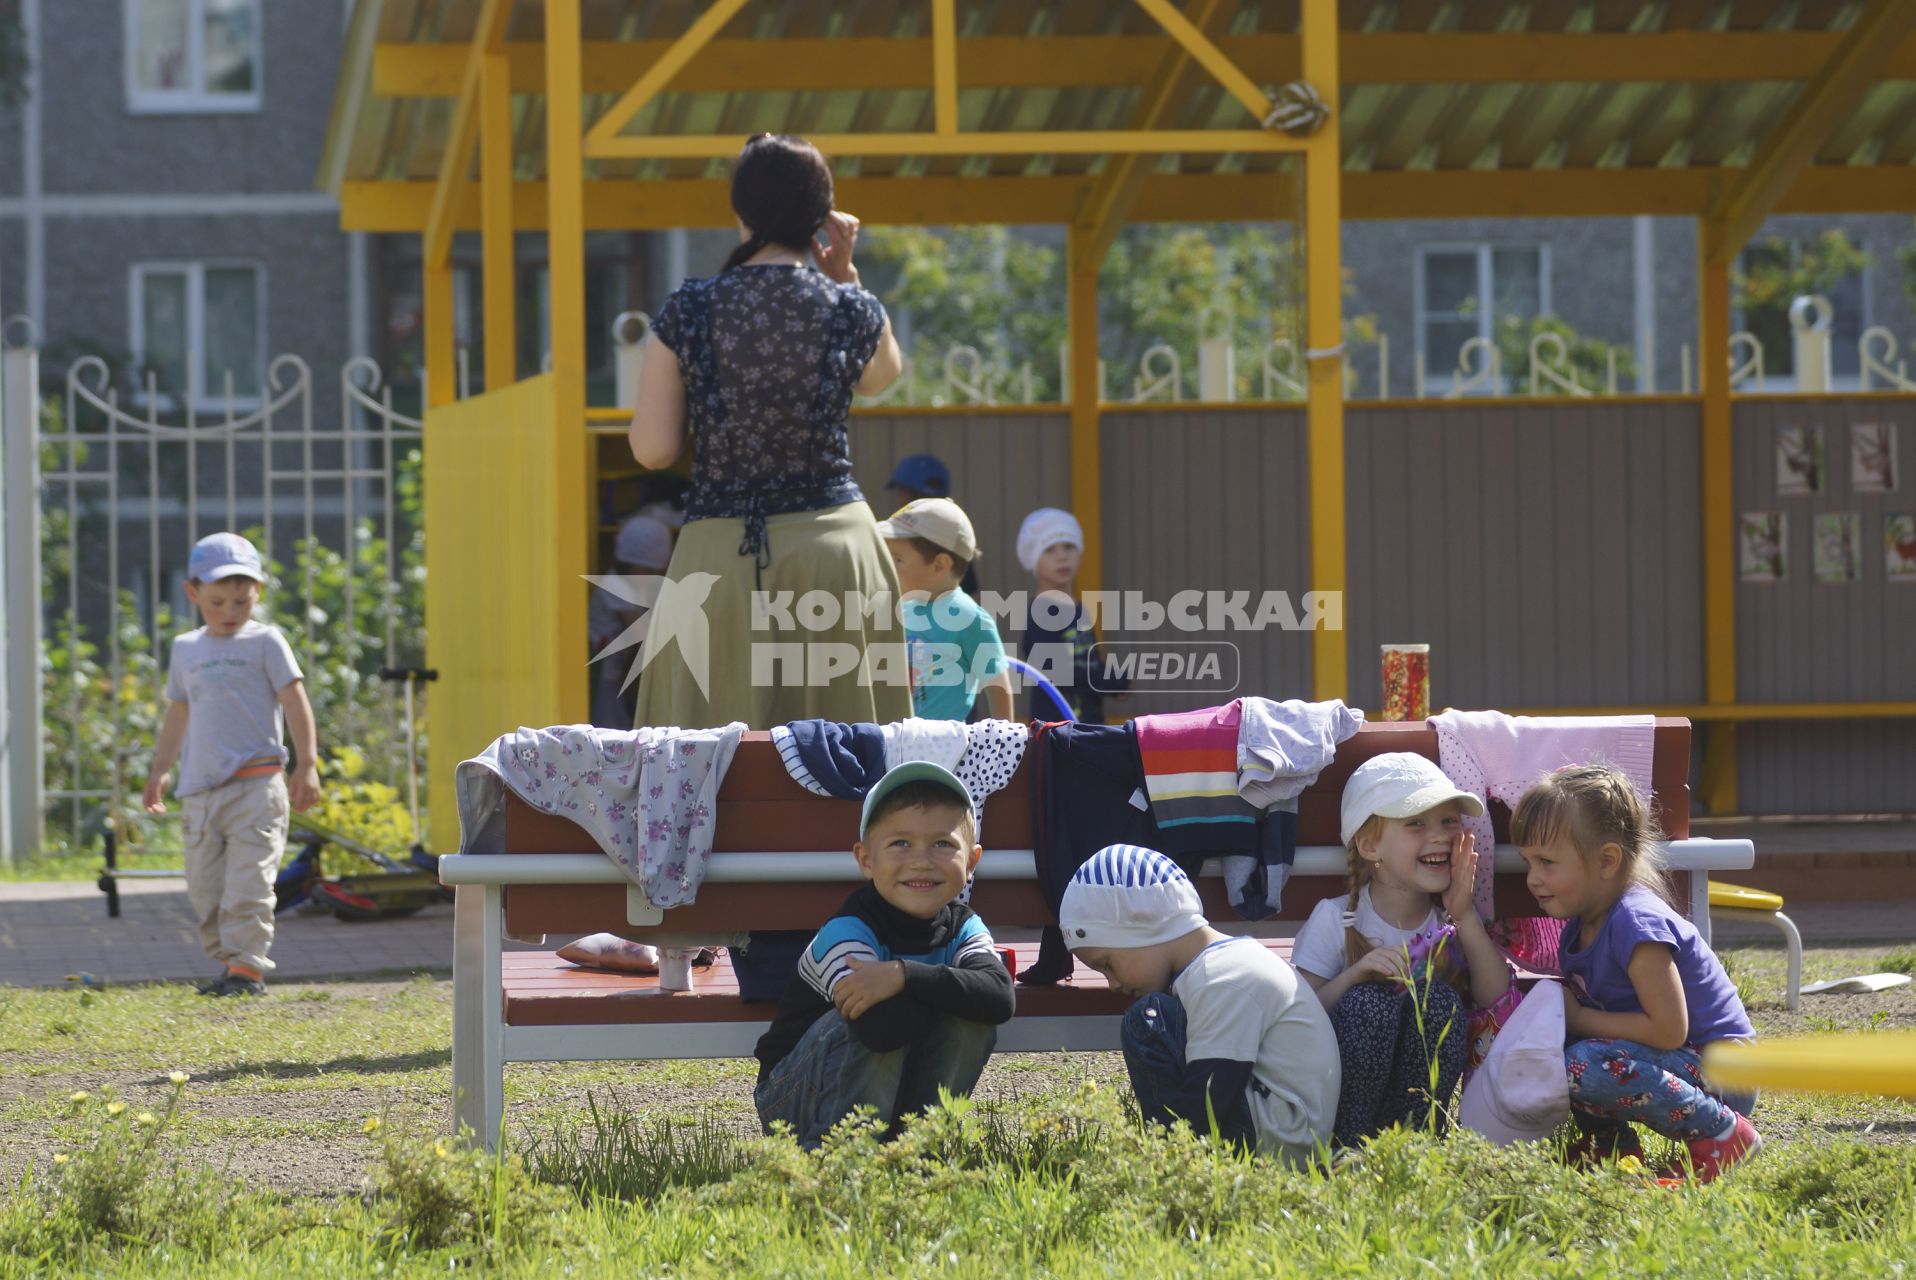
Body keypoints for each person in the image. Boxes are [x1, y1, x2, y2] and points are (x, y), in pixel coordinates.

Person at [627, 133, 911, 729]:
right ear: (821, 219)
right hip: (837, 555)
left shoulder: (690, 308)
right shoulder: (848, 306)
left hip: (719, 563)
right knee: (851, 775)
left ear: (741, 212)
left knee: (715, 780)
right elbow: (883, 376)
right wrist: (847, 275)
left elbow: (653, 451)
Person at [1514, 764, 1761, 1182]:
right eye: (1527, 862)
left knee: (1582, 1058)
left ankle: (1723, 1134)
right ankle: (1613, 1150)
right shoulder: (1580, 926)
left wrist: (1580, 1019)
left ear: (1607, 860)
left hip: (1724, 1071)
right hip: (1682, 1062)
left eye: (1547, 862)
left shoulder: (1635, 923)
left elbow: (1669, 1030)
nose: (1532, 879)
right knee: (1563, 1046)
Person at [753, 762, 1015, 1148]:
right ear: (865, 859)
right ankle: (841, 1161)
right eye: (900, 843)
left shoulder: (964, 926)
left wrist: (901, 976)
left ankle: (916, 1151)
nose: (921, 860)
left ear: (972, 861)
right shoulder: (847, 931)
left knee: (973, 1019)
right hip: (794, 1098)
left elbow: (999, 997)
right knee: (868, 1018)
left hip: (896, 1086)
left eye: (943, 843)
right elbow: (879, 1030)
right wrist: (953, 993)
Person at [1061, 844, 1340, 1163]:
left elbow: (1210, 1095)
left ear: (1140, 930)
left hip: (1278, 1149)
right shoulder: (1213, 969)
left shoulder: (1223, 975)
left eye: (1107, 963)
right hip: (1278, 1130)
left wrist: (1168, 1161)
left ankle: (1172, 1166)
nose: (1112, 984)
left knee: (1147, 1021)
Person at [1290, 753, 1515, 1147]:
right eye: (1416, 822)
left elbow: (1495, 997)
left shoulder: (1450, 921)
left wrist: (1464, 914)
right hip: (1340, 1101)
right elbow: (1302, 1016)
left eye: (1449, 820)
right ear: (1369, 845)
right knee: (1369, 1003)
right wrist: (1355, 975)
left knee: (1439, 1002)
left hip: (1413, 1112)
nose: (1441, 835)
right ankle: (1347, 1151)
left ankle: (1415, 1151)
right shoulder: (1335, 918)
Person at [142, 532, 322, 997]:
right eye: (217, 600)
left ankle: (247, 970)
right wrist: (160, 769)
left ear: (257, 592)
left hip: (257, 788)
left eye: (241, 601)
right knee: (206, 892)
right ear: (192, 592)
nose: (229, 612)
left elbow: (294, 699)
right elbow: (179, 711)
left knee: (249, 885)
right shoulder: (187, 649)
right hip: (200, 794)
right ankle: (230, 964)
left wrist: (307, 764)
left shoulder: (266, 642)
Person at [876, 497, 1012, 722]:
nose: (889, 567)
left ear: (940, 565)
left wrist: (1005, 745)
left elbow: (997, 686)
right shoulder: (901, 607)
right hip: (895, 741)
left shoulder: (969, 619)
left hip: (943, 750)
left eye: (898, 559)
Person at [1015, 507, 1127, 723]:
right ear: (1032, 559)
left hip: (1087, 729)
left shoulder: (1077, 606)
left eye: (1069, 546)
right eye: (1049, 549)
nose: (1062, 556)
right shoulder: (1043, 611)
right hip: (1058, 735)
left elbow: (1089, 659)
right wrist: (1110, 682)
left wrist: (1113, 678)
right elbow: (1058, 670)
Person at [589, 514, 676, 728]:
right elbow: (642, 631)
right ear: (627, 564)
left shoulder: (636, 588)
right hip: (602, 675)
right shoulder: (614, 585)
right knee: (607, 728)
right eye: (647, 570)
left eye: (657, 572)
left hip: (617, 673)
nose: (651, 577)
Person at [884, 454, 980, 598]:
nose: (900, 498)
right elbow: (974, 595)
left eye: (899, 559)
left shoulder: (948, 537)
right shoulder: (953, 534)